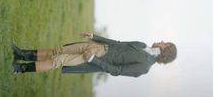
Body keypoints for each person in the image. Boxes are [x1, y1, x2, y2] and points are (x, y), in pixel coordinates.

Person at [11, 32, 177, 77]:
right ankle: (22, 54)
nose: (161, 41)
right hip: (99, 46)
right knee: (58, 51)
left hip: (95, 58)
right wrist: (95, 37)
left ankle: (19, 68)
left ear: (165, 51)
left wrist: (93, 60)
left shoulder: (144, 67)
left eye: (165, 43)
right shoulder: (142, 45)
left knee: (58, 60)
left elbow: (116, 71)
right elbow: (118, 43)